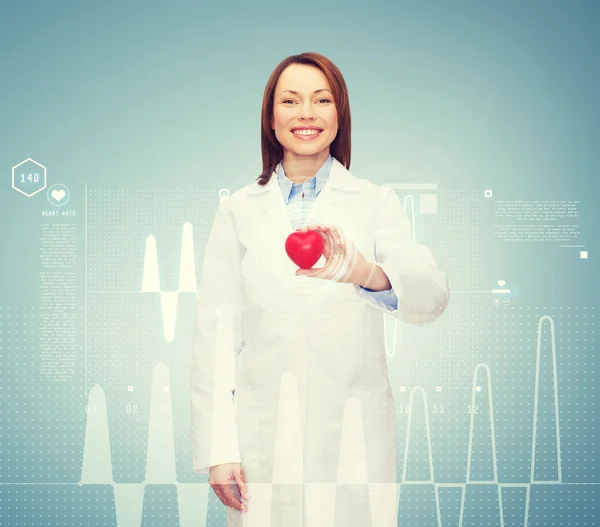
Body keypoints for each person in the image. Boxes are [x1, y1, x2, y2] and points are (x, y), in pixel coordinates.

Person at [191, 52, 449, 526]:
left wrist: (366, 272)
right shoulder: (238, 211)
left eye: (321, 100)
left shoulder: (375, 203)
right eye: (290, 101)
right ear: (271, 119)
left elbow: (431, 298)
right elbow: (216, 336)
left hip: (353, 427)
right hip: (263, 430)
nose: (305, 114)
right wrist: (219, 448)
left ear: (339, 115)